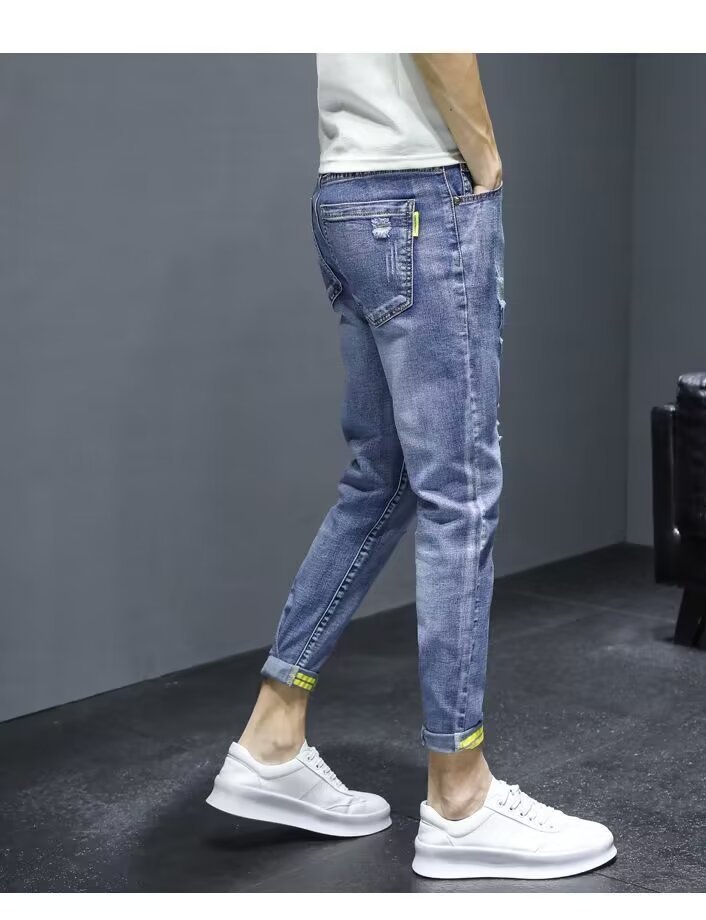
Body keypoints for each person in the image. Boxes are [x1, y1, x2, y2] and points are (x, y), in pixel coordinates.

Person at [206, 53, 616, 880]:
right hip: (421, 192)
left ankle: (272, 737)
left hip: (346, 193)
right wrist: (485, 157)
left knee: (382, 479)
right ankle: (461, 795)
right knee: (459, 493)